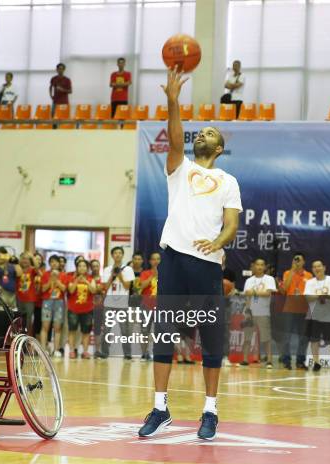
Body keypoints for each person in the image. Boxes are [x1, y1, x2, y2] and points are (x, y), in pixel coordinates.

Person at [138, 68, 242, 441]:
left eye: (212, 134)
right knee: (164, 332)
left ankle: (210, 412)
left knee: (210, 337)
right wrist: (173, 100)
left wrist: (219, 242)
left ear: (217, 149)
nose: (205, 133)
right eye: (203, 131)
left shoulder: (228, 182)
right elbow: (177, 139)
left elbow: (231, 223)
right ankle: (160, 407)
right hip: (174, 261)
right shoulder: (180, 169)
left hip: (206, 264)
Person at [97, 246, 135, 360]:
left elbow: (127, 286)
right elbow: (105, 287)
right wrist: (112, 276)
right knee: (107, 329)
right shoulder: (107, 269)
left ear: (122, 255)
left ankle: (127, 354)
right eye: (115, 253)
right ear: (112, 255)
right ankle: (104, 352)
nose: (117, 255)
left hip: (123, 304)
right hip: (109, 303)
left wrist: (120, 275)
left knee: (125, 330)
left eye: (120, 253)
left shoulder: (128, 269)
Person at [303, 260, 330, 371]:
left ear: (324, 267)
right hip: (313, 315)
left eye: (319, 266)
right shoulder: (310, 282)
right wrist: (319, 296)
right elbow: (307, 298)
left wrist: (327, 295)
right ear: (312, 269)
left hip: (327, 316)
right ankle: (316, 363)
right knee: (314, 340)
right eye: (314, 267)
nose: (317, 268)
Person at [278, 253, 313, 371]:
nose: (297, 262)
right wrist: (292, 270)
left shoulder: (309, 275)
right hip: (289, 309)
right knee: (286, 337)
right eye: (295, 260)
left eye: (299, 260)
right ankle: (286, 361)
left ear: (304, 262)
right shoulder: (287, 273)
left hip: (303, 310)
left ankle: (300, 362)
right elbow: (284, 289)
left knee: (303, 338)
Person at [242, 258, 277, 368]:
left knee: (266, 338)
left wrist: (254, 292)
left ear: (265, 267)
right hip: (251, 312)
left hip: (263, 312)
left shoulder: (269, 279)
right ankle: (245, 359)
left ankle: (269, 361)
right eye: (258, 264)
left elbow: (267, 293)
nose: (260, 267)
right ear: (254, 266)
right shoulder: (249, 281)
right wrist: (247, 311)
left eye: (262, 265)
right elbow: (247, 295)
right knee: (247, 337)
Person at [67, 259, 96, 359]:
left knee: (86, 331)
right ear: (77, 268)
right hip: (73, 309)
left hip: (87, 309)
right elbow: (70, 290)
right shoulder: (71, 278)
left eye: (84, 266)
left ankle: (85, 351)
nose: (82, 268)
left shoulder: (91, 279)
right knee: (72, 330)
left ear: (87, 268)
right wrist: (76, 280)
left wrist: (86, 282)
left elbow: (94, 290)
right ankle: (71, 351)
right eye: (80, 266)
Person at [39, 255, 67, 356]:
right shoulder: (45, 274)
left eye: (56, 262)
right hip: (47, 302)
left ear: (59, 263)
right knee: (45, 326)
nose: (54, 264)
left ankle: (56, 349)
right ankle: (43, 349)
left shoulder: (63, 275)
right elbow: (43, 289)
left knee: (57, 327)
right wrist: (51, 279)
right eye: (52, 262)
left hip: (59, 302)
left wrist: (57, 280)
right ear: (49, 263)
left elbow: (64, 289)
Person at [137, 252, 161, 361]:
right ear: (150, 261)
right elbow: (141, 286)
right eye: (153, 259)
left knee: (160, 332)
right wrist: (153, 275)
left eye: (158, 259)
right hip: (146, 306)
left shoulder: (166, 273)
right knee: (145, 331)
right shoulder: (145, 273)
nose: (156, 261)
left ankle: (158, 354)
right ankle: (144, 353)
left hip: (161, 307)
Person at [16, 252, 37, 335]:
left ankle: (27, 338)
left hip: (30, 299)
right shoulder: (17, 269)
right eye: (23, 258)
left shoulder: (32, 270)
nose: (25, 260)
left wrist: (32, 256)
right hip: (18, 298)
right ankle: (19, 336)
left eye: (27, 259)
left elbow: (37, 268)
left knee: (28, 320)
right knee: (19, 319)